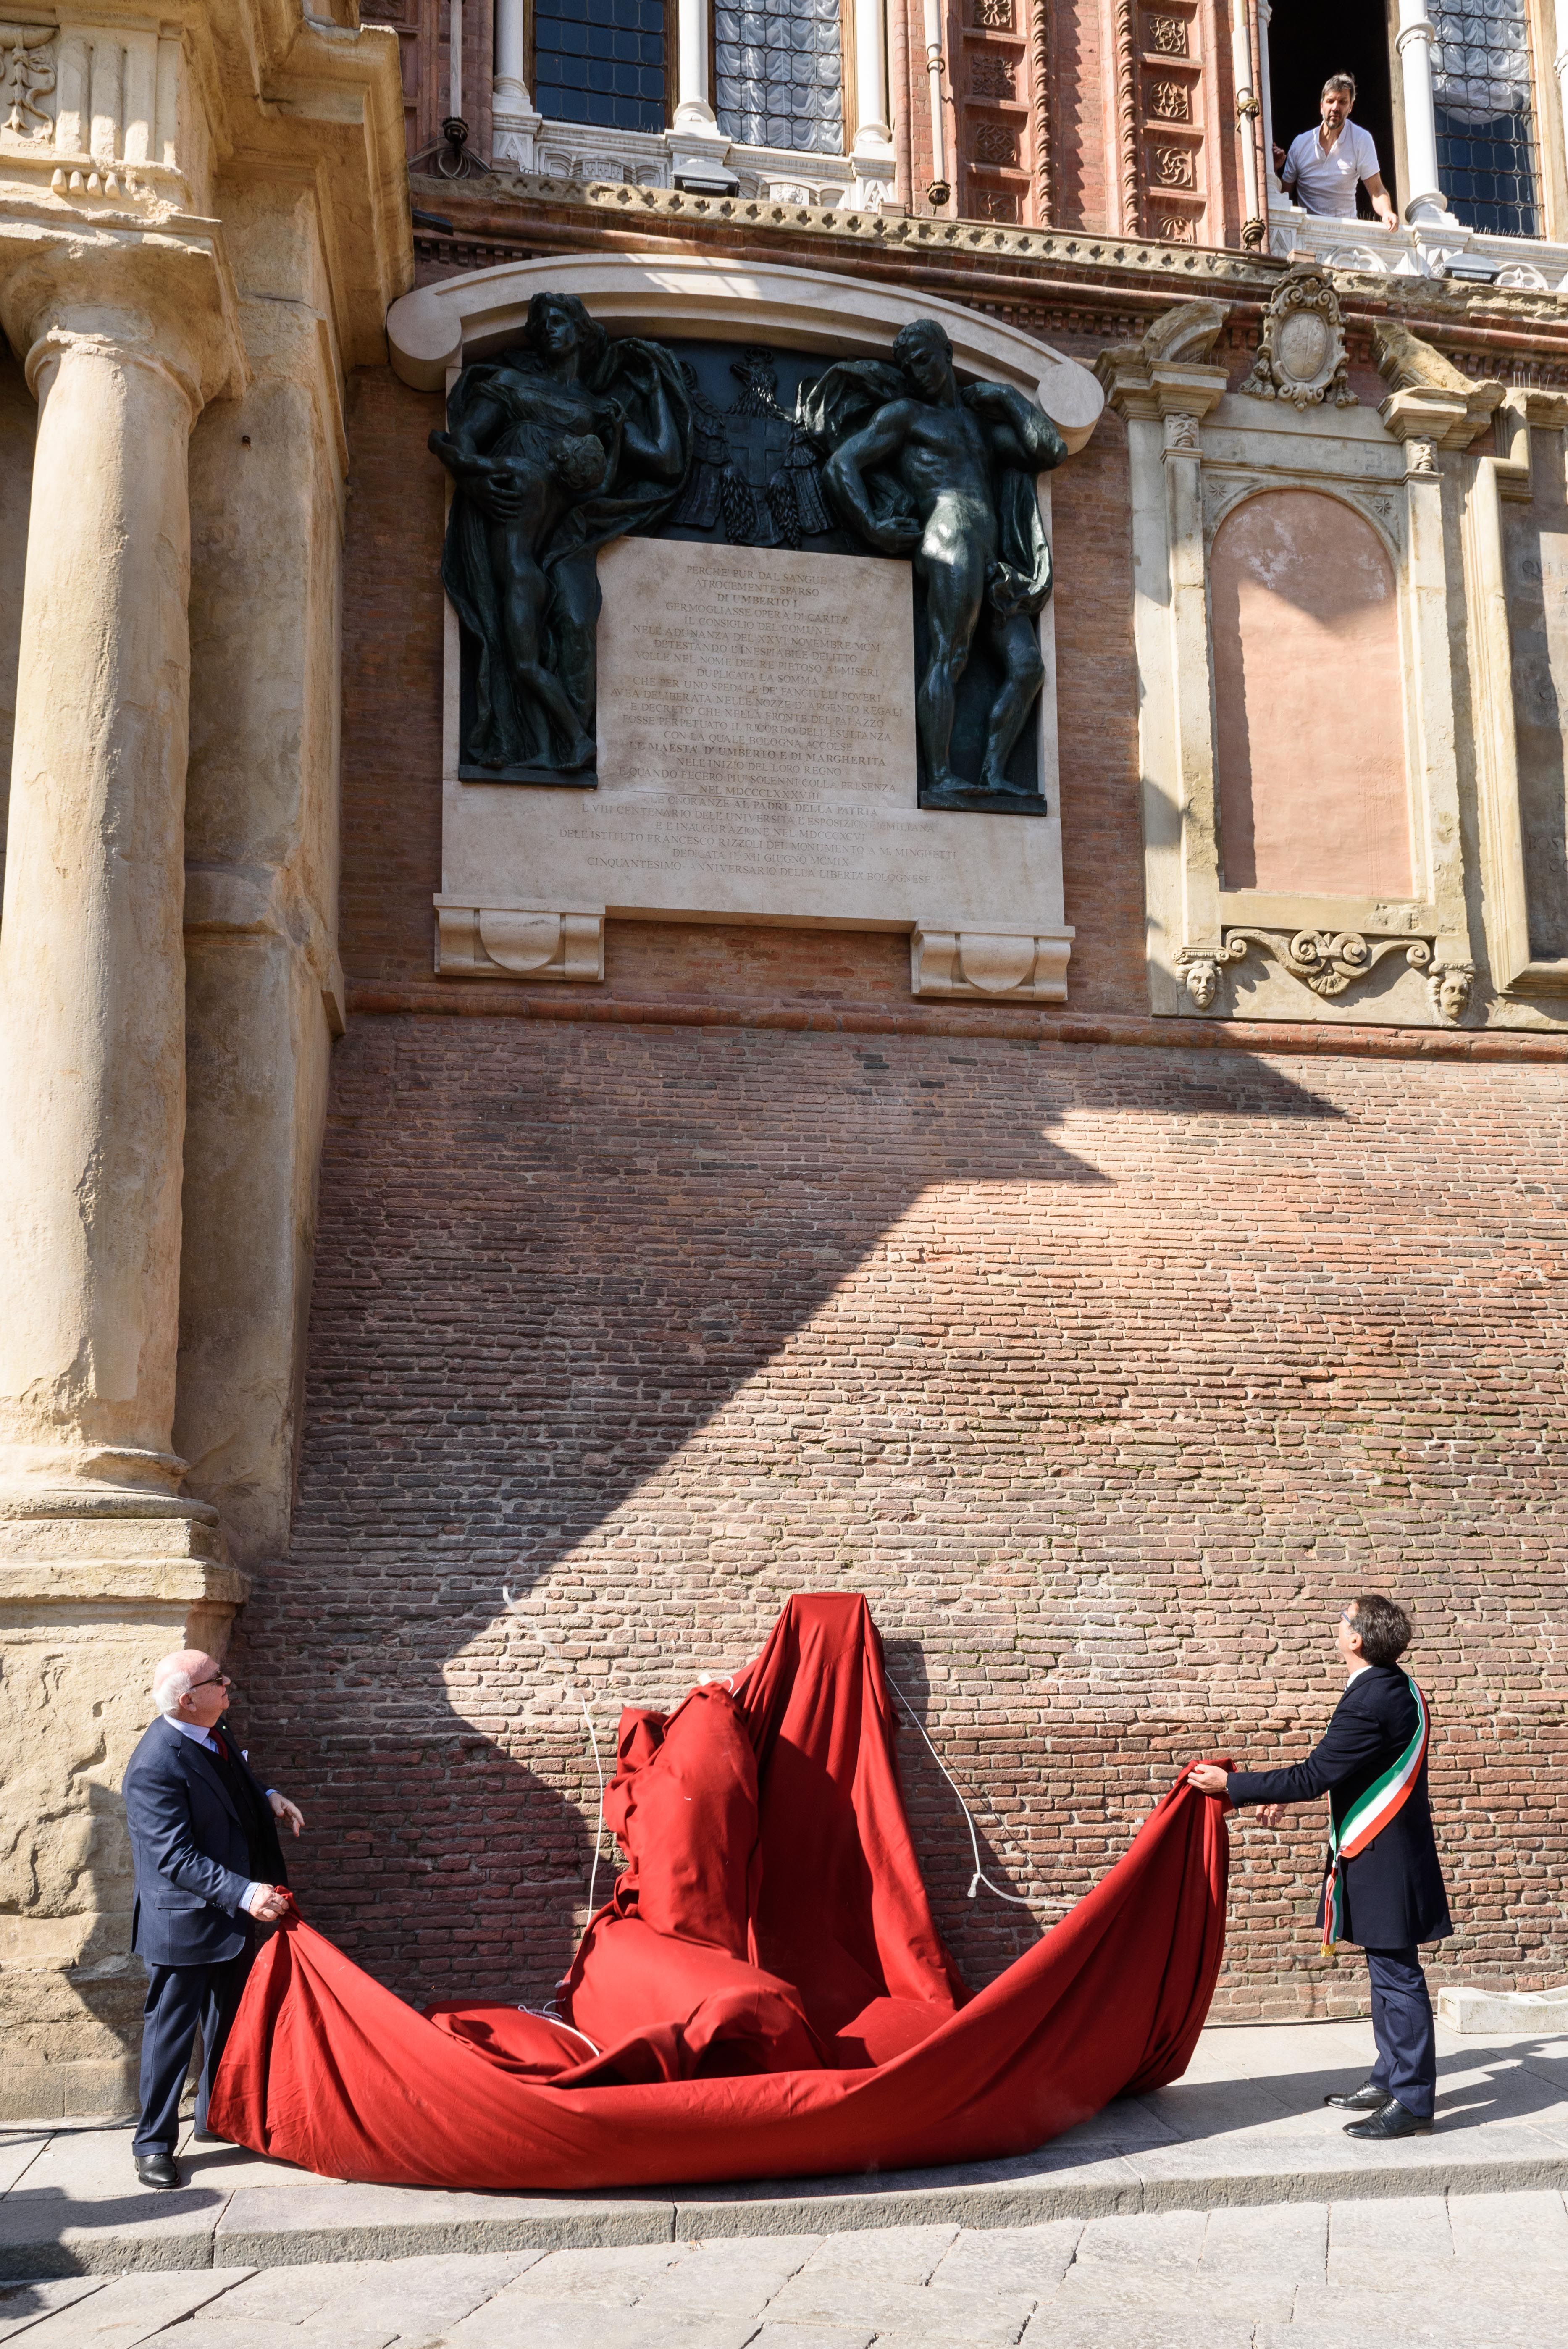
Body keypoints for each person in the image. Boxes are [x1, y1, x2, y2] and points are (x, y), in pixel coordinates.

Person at [1189, 1593, 1451, 2140]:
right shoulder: (1397, 1686)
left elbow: (1314, 1775)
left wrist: (1232, 1787)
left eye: (1343, 1619)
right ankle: (1389, 2076)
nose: (1337, 1625)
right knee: (1386, 1974)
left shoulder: (1368, 1698)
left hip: (1384, 1858)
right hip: (1390, 1852)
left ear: (1356, 1639)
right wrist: (1299, 1786)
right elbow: (1339, 1767)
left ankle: (1412, 2101)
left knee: (1397, 1978)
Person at [809, 319, 1066, 804]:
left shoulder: (976, 425)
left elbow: (1050, 451)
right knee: (950, 654)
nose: (916, 371)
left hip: (992, 555)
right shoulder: (906, 416)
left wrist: (1010, 397)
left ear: (947, 353)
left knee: (1028, 667)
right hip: (950, 536)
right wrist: (871, 526)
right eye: (908, 366)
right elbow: (841, 464)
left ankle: (993, 774)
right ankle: (943, 776)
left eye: (924, 359)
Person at [121, 1651, 305, 2189]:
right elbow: (173, 1858)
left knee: (228, 2022)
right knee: (171, 2036)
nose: (229, 1684)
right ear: (187, 1698)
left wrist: (267, 1795)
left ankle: (215, 2119)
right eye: (217, 1680)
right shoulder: (154, 1765)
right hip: (183, 1923)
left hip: (229, 1915)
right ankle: (152, 2143)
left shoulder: (213, 1726)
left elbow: (232, 1777)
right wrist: (247, 1893)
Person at [1276, 74, 1397, 228]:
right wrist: (1274, 169)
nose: (1335, 108)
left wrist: (1387, 212)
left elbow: (1377, 190)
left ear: (1351, 107)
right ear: (1321, 107)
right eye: (1330, 101)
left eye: (1342, 102)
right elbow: (1284, 195)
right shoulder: (1300, 144)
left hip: (1346, 235)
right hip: (1308, 233)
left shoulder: (1361, 139)